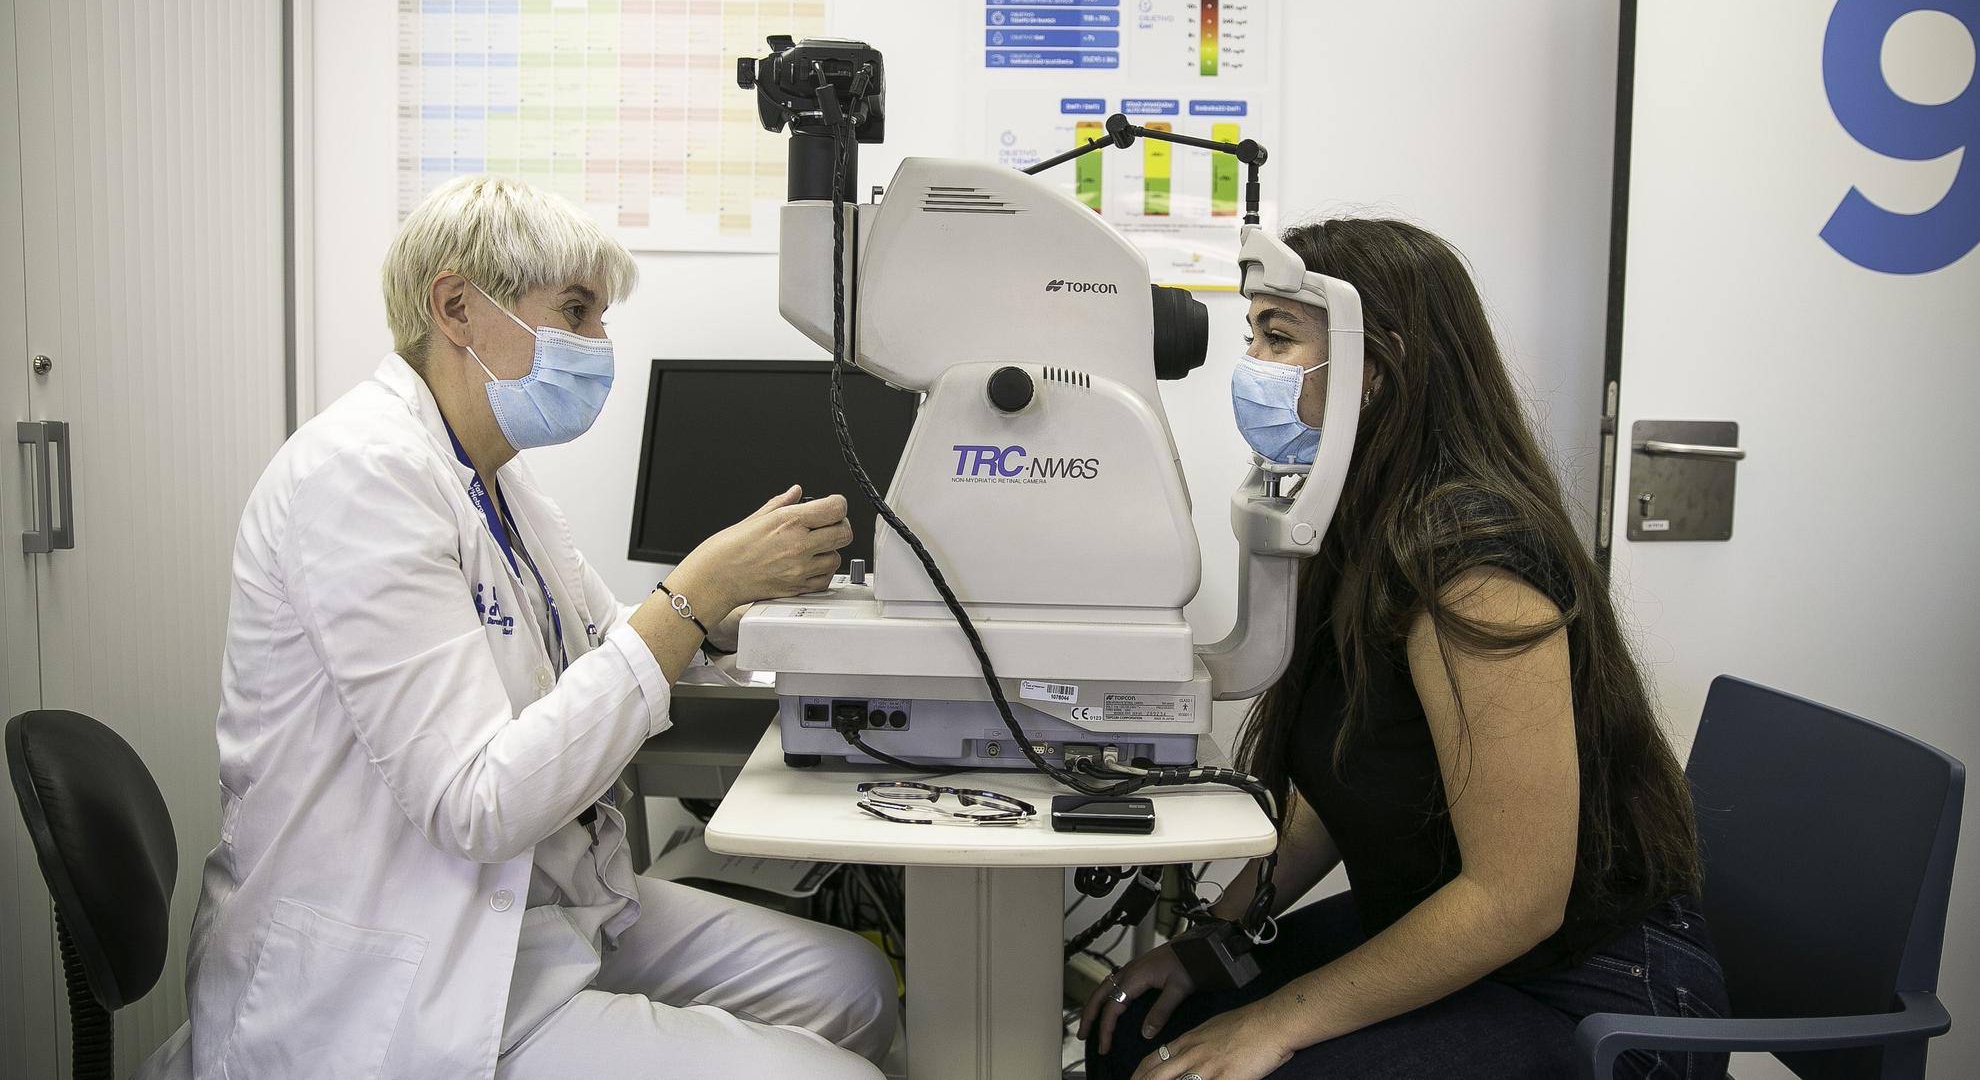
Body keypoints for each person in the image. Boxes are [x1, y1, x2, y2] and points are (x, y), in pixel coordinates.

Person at [143, 175, 900, 1080]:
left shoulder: (497, 478)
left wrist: (724, 616)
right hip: (393, 970)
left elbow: (595, 633)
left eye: (601, 319)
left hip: (532, 916)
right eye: (575, 312)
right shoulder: (357, 477)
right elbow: (477, 799)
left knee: (856, 985)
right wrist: (692, 593)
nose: (599, 346)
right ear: (457, 306)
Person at [1082, 218, 1728, 1080]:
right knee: (1136, 1030)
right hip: (1454, 934)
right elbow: (1345, 780)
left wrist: (1273, 1021)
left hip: (1591, 987)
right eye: (1255, 337)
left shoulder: (1474, 561)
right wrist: (1215, 942)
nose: (1254, 367)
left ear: (1373, 367)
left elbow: (1515, 899)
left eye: (1280, 336)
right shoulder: (1354, 520)